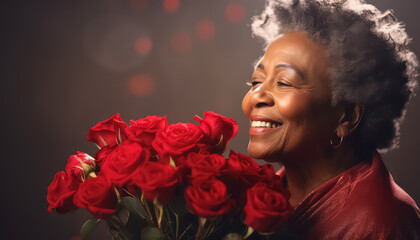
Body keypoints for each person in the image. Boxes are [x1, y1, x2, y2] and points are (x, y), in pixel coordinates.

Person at [242, 0, 420, 239]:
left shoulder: (384, 223)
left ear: (345, 117)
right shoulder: (258, 192)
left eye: (283, 82)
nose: (255, 97)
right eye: (256, 81)